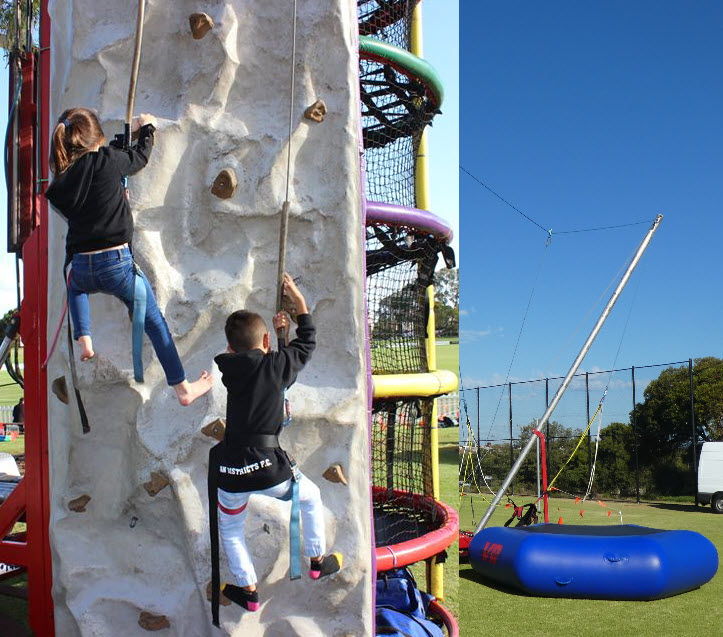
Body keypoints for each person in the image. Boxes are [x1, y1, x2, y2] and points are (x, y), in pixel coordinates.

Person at [44, 107, 212, 406]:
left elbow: (96, 173)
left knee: (76, 288)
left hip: (82, 266)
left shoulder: (61, 185)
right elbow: (139, 158)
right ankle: (183, 388)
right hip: (116, 264)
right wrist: (146, 130)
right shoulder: (108, 162)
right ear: (98, 138)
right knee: (155, 323)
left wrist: (120, 148)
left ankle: (84, 338)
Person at [211, 273, 342, 612]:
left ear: (229, 349)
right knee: (310, 498)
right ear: (266, 340)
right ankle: (316, 560)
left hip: (230, 469)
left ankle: (248, 589)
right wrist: (298, 305)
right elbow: (307, 342)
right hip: (269, 467)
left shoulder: (231, 370)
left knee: (230, 529)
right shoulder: (276, 364)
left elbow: (273, 374)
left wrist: (277, 343)